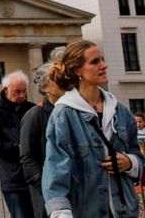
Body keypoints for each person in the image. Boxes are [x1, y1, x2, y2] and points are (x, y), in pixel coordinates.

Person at [42, 39, 144, 218]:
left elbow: (138, 156)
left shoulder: (120, 110)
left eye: (102, 59)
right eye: (95, 61)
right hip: (86, 211)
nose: (104, 65)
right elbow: (55, 175)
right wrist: (61, 214)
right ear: (77, 70)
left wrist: (130, 163)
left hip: (125, 211)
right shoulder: (63, 115)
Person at [0, 70, 36, 218]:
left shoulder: (32, 109)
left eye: (24, 91)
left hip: (34, 176)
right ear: (6, 90)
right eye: (17, 92)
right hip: (12, 177)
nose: (21, 96)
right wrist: (17, 148)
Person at [19, 62, 63, 218]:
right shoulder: (34, 116)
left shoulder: (70, 112)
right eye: (58, 80)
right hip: (49, 194)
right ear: (45, 88)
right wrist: (46, 186)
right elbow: (27, 158)